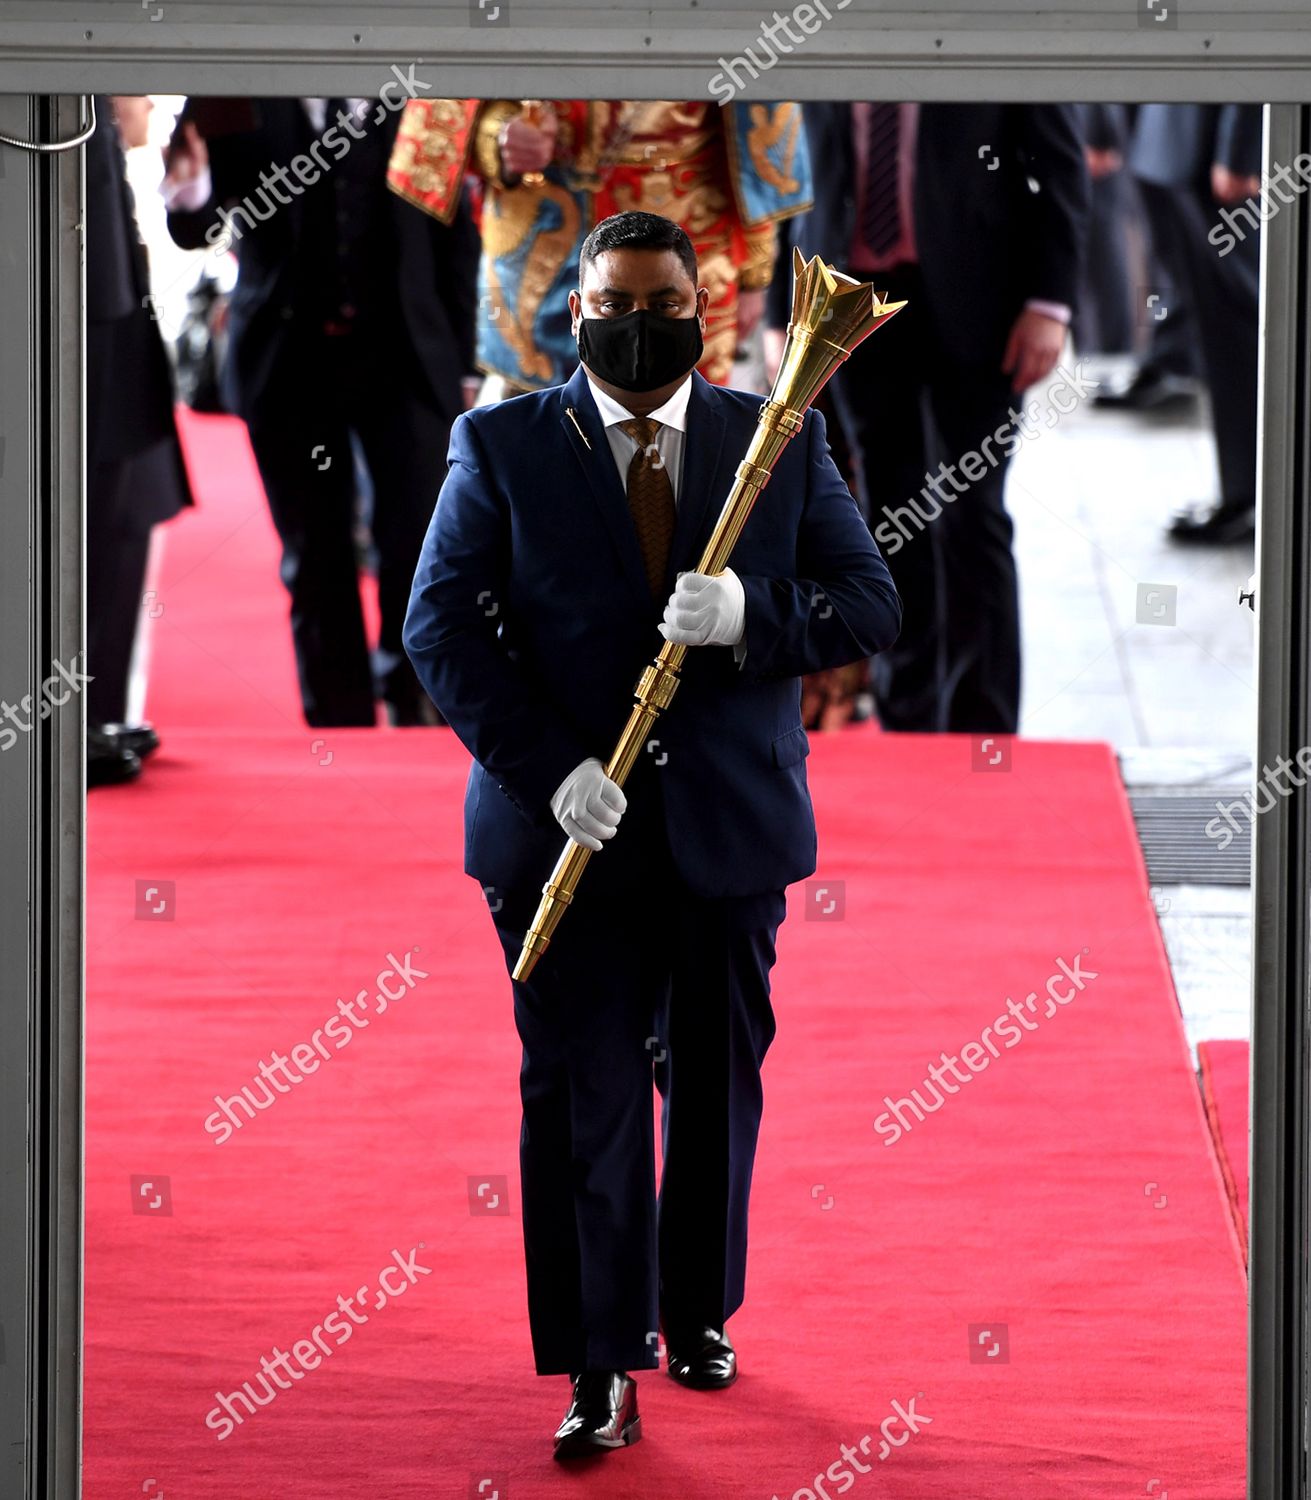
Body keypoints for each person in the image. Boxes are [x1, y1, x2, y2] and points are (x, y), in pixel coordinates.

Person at [402, 210, 901, 1459]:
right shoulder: (501, 443)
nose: (642, 325)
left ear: (705, 310)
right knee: (587, 1096)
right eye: (615, 303)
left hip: (727, 832)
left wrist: (749, 613)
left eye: (666, 304)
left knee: (718, 1087)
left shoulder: (774, 437)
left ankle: (694, 1309)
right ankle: (597, 1361)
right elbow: (440, 630)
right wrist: (549, 771)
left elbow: (869, 603)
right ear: (575, 315)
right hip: (563, 834)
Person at [766, 103, 1089, 735]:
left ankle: (981, 725)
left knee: (972, 514)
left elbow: (1060, 165)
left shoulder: (977, 26)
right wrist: (788, 312)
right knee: (886, 517)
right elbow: (789, 176)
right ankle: (905, 718)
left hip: (981, 299)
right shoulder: (820, 26)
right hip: (848, 302)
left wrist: (1050, 304)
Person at [163, 96, 480, 726]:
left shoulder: (423, 103)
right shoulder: (236, 98)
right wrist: (190, 186)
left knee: (419, 537)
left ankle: (416, 698)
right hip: (288, 360)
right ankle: (340, 717)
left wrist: (466, 361)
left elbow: (455, 239)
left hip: (405, 357)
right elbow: (196, 228)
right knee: (315, 550)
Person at [386, 98, 812, 395]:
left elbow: (759, 121)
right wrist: (498, 137)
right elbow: (463, 81)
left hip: (687, 235)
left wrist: (756, 270)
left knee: (682, 432)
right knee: (539, 438)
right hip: (539, 242)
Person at [86, 94, 195, 786]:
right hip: (95, 364)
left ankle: (91, 715)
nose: (149, 101)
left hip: (116, 363)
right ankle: (75, 724)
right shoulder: (80, 116)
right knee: (90, 545)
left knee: (117, 533)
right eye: (137, 86)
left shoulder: (102, 144)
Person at [1127, 105, 1262, 546]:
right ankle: (1246, 491)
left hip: (1214, 151)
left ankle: (1252, 494)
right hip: (1183, 143)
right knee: (1223, 323)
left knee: (1241, 327)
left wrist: (1243, 150)